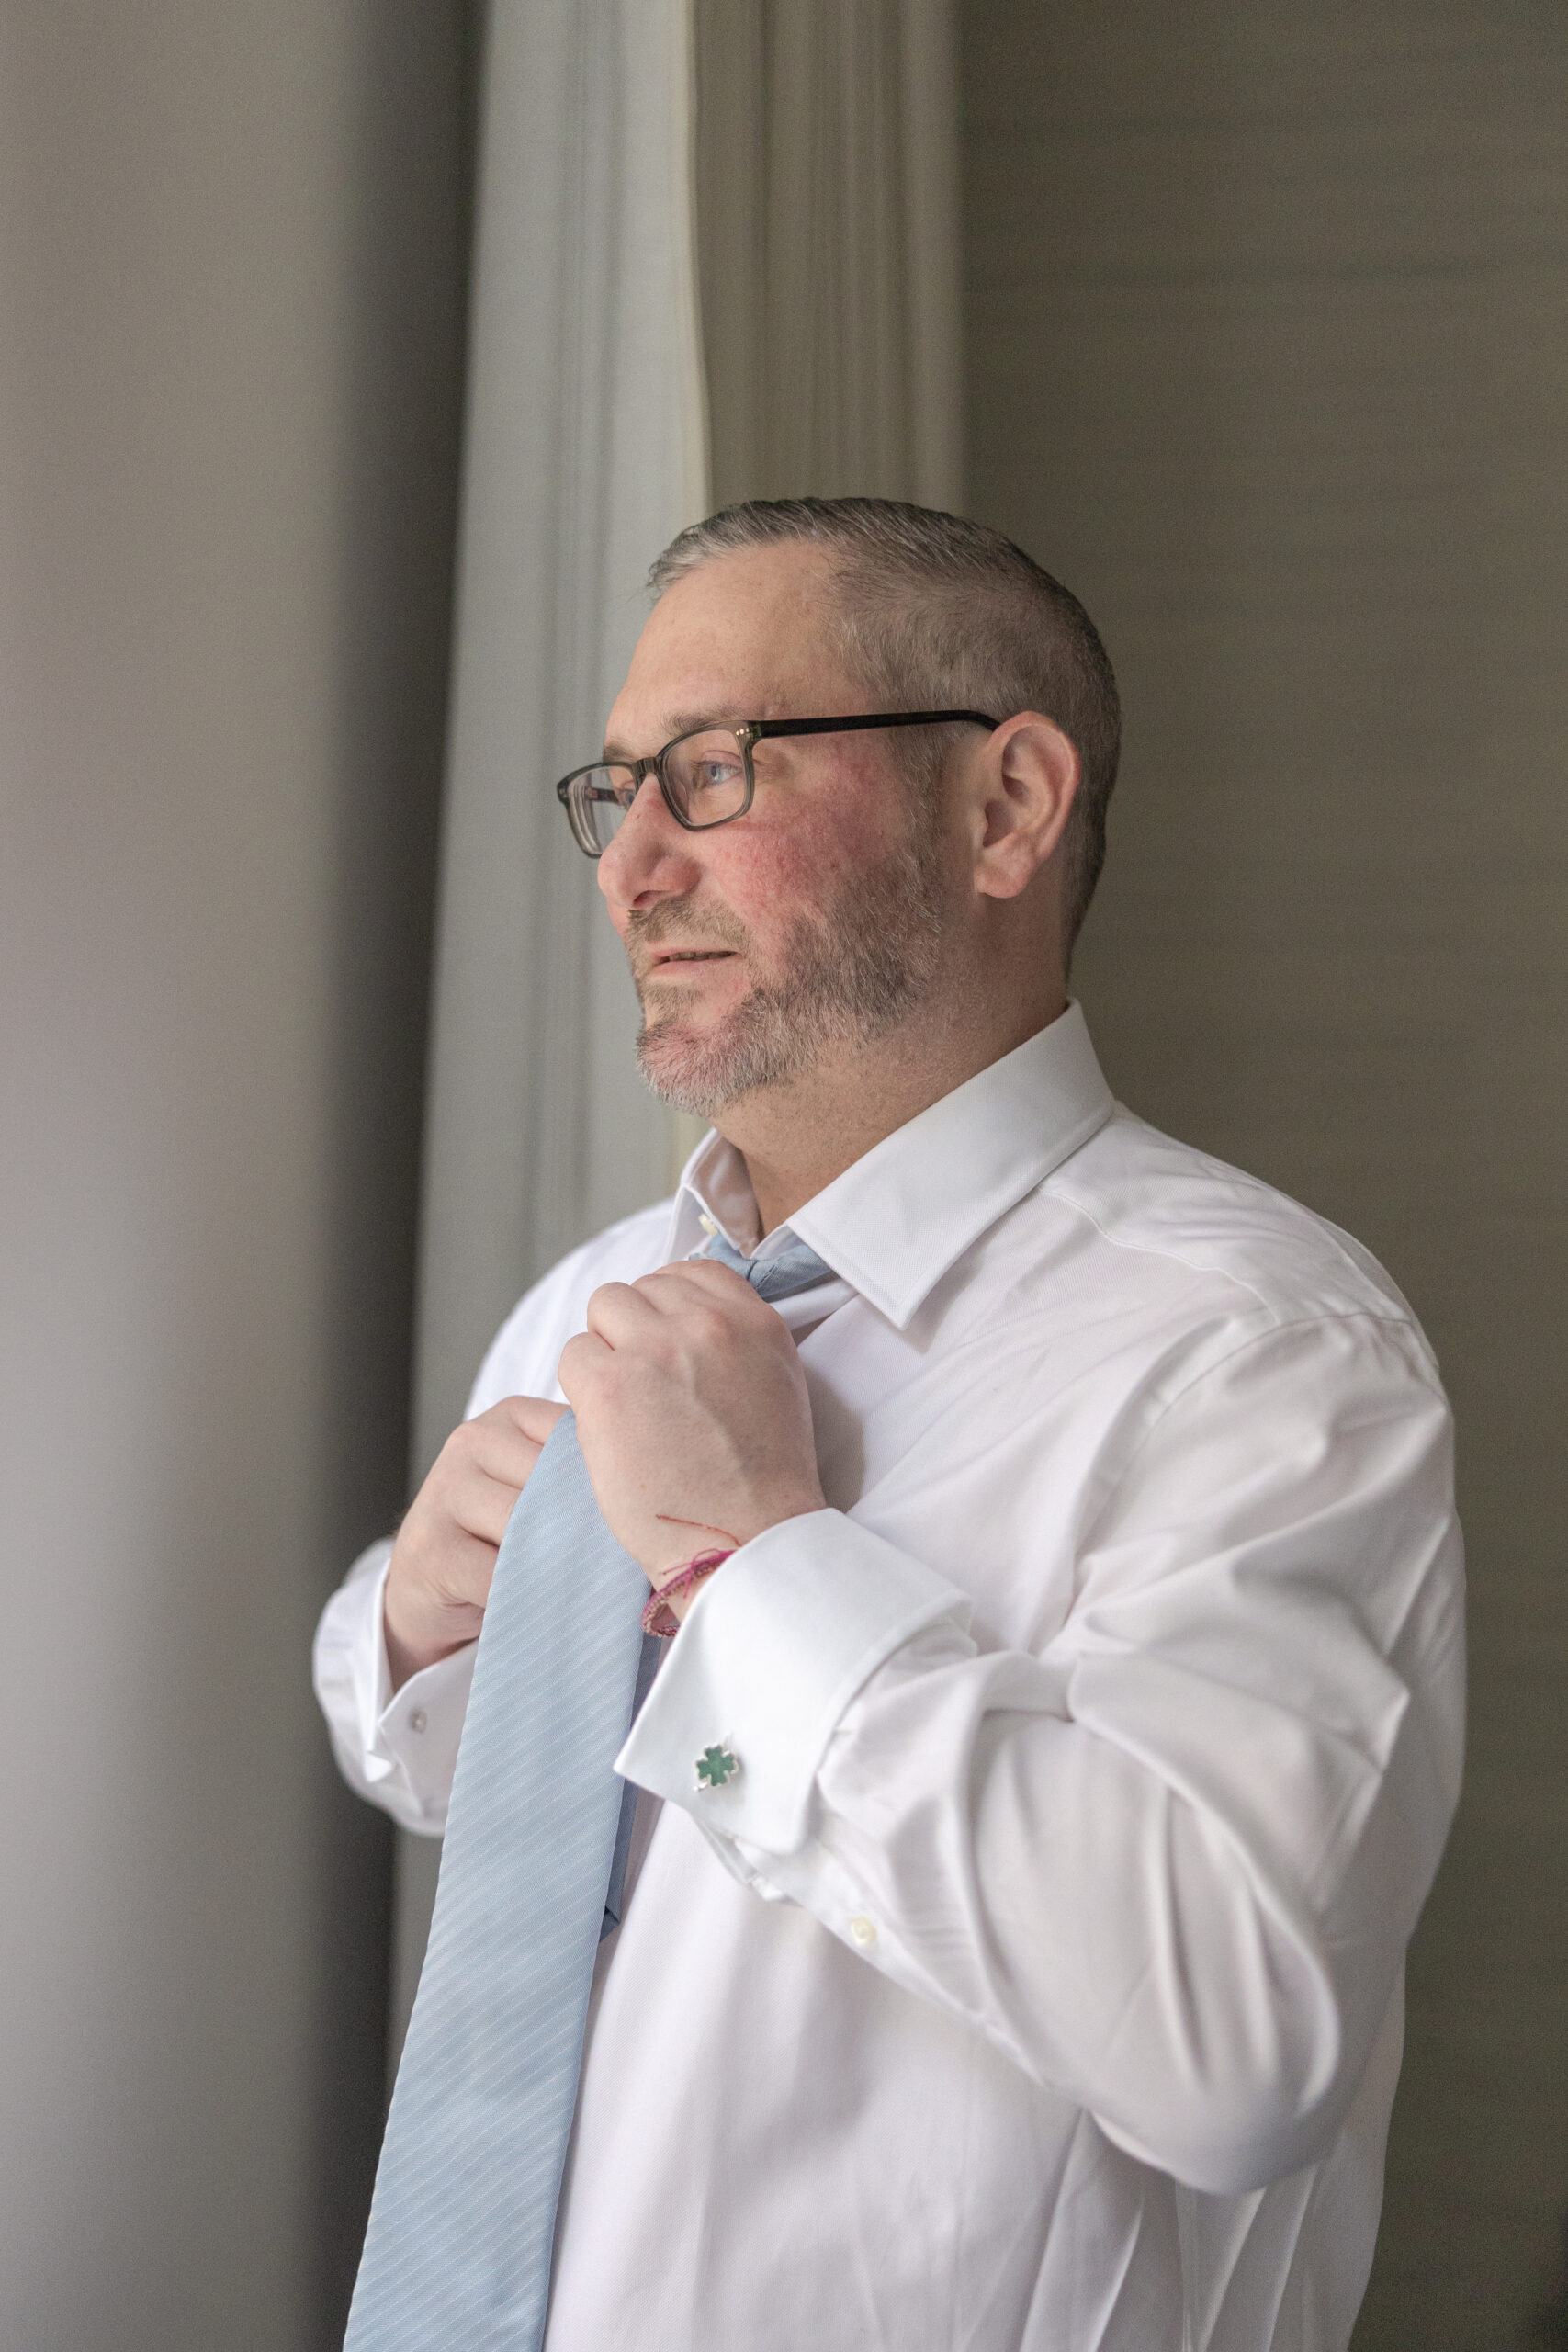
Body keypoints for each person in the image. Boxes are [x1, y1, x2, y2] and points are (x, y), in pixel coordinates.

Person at [314, 497, 1464, 2351]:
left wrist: (750, 1563)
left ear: (1000, 807)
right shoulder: (597, 1301)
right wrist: (412, 1625)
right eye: (614, 793)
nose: (628, 869)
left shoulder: (1253, 1347)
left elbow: (1230, 2039)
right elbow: (514, 1802)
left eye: (710, 768)